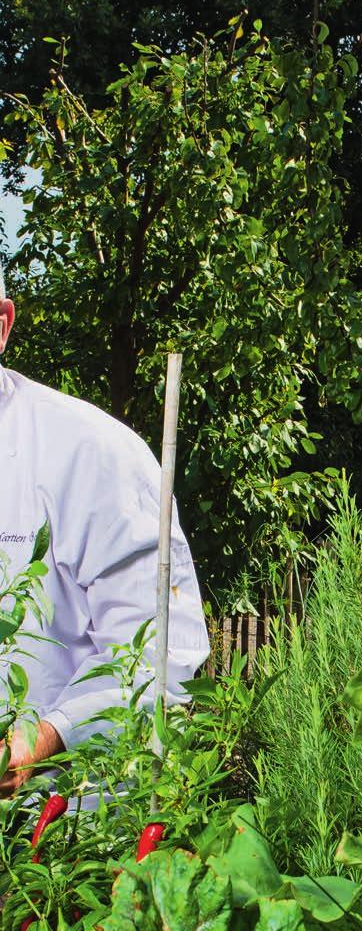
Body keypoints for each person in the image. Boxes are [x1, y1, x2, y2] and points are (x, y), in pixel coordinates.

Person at [0, 267, 209, 798]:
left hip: (61, 838)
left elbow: (159, 653)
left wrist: (41, 735)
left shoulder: (90, 453)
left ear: (1, 327)